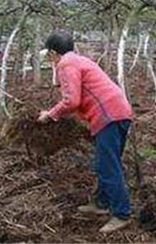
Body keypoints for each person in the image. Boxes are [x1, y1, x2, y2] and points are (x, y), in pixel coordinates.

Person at [37, 32, 133, 233]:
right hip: (118, 112)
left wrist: (50, 114)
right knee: (104, 163)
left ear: (54, 52)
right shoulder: (79, 60)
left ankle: (121, 214)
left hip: (108, 115)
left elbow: (72, 100)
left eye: (49, 55)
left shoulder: (66, 64)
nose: (50, 59)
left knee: (108, 166)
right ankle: (101, 203)